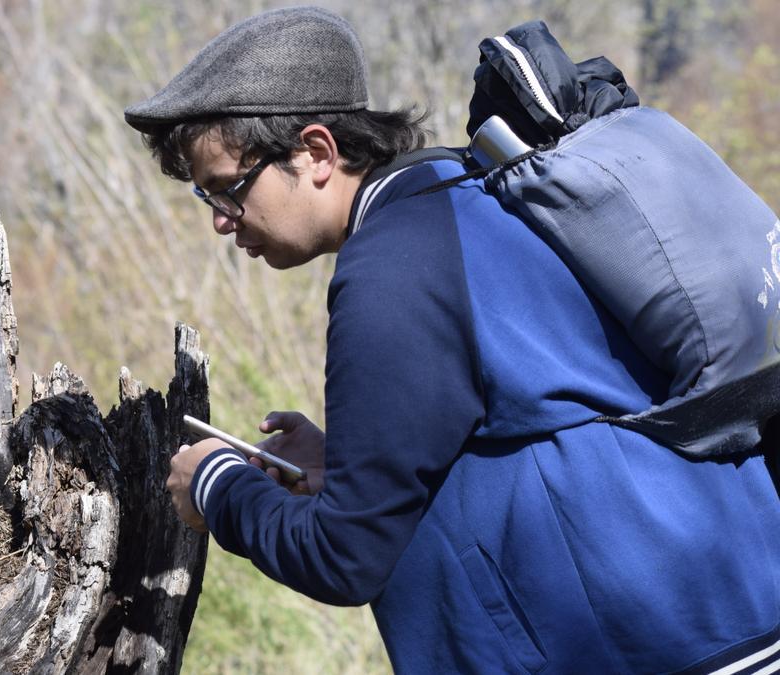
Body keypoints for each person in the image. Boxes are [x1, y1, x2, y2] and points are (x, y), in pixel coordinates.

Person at [125, 6, 780, 674]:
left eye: (227, 191)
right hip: (729, 607)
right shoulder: (465, 192)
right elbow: (541, 413)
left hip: (654, 649)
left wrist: (215, 484)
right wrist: (349, 465)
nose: (222, 222)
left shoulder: (392, 269)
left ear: (317, 152)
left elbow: (341, 558)